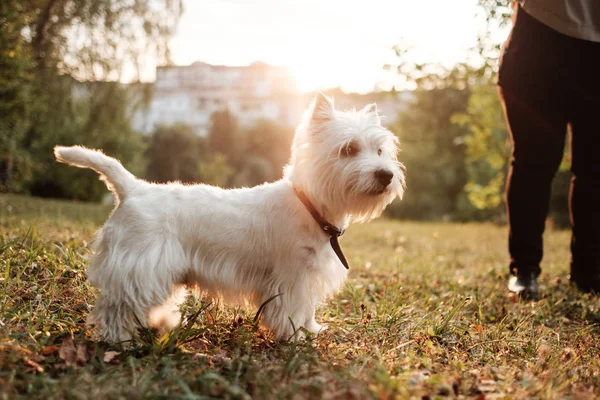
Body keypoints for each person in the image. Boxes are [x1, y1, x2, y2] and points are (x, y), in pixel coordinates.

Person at [498, 1, 600, 299]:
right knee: (534, 161)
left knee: (595, 171)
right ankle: (524, 269)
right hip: (540, 35)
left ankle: (589, 272)